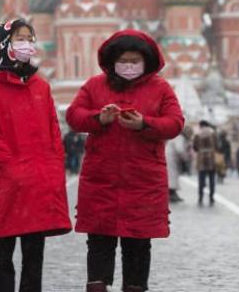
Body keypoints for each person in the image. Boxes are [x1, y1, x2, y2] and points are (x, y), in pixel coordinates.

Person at [66, 29, 184, 292]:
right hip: (102, 179)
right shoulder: (95, 85)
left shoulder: (161, 88)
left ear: (146, 61)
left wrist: (145, 124)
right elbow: (74, 116)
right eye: (123, 60)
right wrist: (99, 118)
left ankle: (134, 287)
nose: (128, 66)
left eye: (134, 60)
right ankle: (97, 286)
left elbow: (175, 123)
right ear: (112, 61)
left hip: (142, 181)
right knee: (98, 241)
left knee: (138, 244)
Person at [0, 19, 72, 292]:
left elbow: (53, 129)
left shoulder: (41, 86)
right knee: (2, 249)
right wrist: (10, 165)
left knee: (34, 252)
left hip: (37, 180)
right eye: (20, 38)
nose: (27, 44)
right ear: (5, 44)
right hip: (7, 180)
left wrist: (54, 164)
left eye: (30, 38)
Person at [193, 120, 218, 206]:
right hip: (211, 158)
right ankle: (211, 197)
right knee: (212, 180)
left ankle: (200, 197)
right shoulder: (213, 133)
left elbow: (195, 147)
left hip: (201, 159)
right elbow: (218, 145)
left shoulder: (197, 134)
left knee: (201, 180)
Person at [166, 126, 191, 203]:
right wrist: (185, 157)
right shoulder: (180, 138)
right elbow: (179, 149)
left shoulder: (177, 136)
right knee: (172, 175)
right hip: (171, 158)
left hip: (171, 157)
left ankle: (173, 192)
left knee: (172, 175)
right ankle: (171, 193)